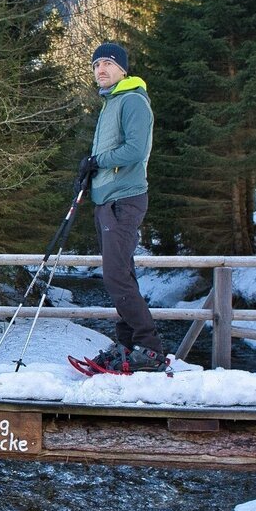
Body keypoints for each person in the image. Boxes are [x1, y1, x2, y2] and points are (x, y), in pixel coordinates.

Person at [80, 42, 167, 374]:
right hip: (107, 200)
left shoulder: (132, 101)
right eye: (96, 65)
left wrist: (97, 161)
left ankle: (151, 348)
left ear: (122, 68)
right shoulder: (111, 102)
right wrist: (89, 175)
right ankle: (129, 346)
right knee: (121, 275)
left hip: (124, 199)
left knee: (116, 276)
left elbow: (134, 150)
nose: (100, 69)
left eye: (107, 63)